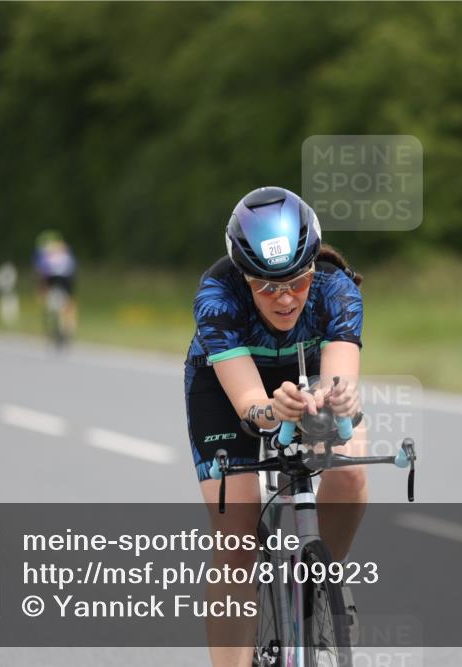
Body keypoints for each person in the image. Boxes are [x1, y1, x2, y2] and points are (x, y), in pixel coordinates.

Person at [184, 186, 366, 667]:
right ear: (243, 276)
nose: (284, 298)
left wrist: (339, 397)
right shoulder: (216, 295)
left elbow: (339, 379)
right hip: (227, 387)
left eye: (296, 280)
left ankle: (321, 582)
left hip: (304, 376)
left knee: (349, 469)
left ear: (313, 266)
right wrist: (273, 410)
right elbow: (249, 406)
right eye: (266, 285)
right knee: (238, 533)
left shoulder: (336, 288)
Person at [32, 230, 78, 336]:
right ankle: (70, 327)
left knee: (46, 295)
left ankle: (54, 318)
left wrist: (40, 288)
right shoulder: (65, 249)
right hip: (65, 277)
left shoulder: (43, 251)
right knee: (70, 303)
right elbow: (73, 267)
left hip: (52, 277)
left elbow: (40, 271)